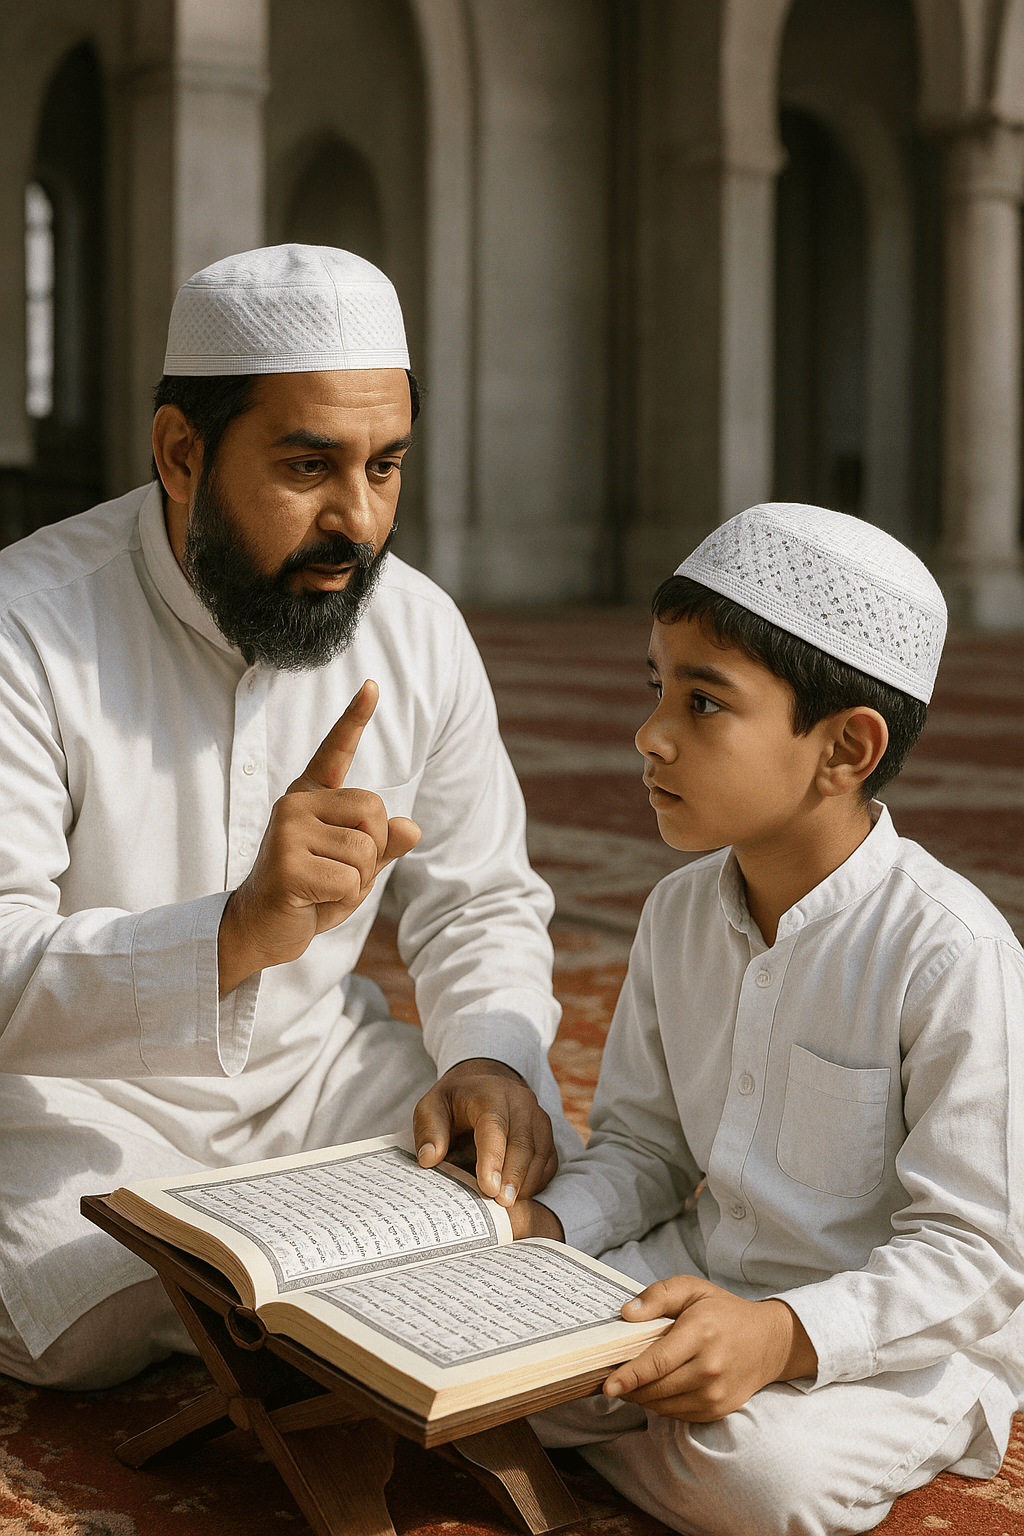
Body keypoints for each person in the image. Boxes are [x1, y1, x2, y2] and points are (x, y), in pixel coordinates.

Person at [0, 244, 578, 1390]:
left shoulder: (416, 628)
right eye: (310, 465)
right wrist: (233, 936)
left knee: (536, 1185)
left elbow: (482, 902)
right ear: (181, 453)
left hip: (318, 1079)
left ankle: (302, 1298)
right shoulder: (28, 629)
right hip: (68, 1098)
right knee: (88, 1321)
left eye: (386, 466)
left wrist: (489, 1054)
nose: (356, 521)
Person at [510, 503, 1024, 1536]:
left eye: (703, 703)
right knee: (474, 1338)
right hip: (695, 1278)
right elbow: (646, 1152)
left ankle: (599, 1423)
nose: (649, 735)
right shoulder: (677, 913)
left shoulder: (946, 953)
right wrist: (544, 1228)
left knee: (755, 1478)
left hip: (896, 1339)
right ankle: (604, 1405)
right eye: (656, 687)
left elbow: (974, 1254)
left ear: (844, 748)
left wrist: (782, 1335)